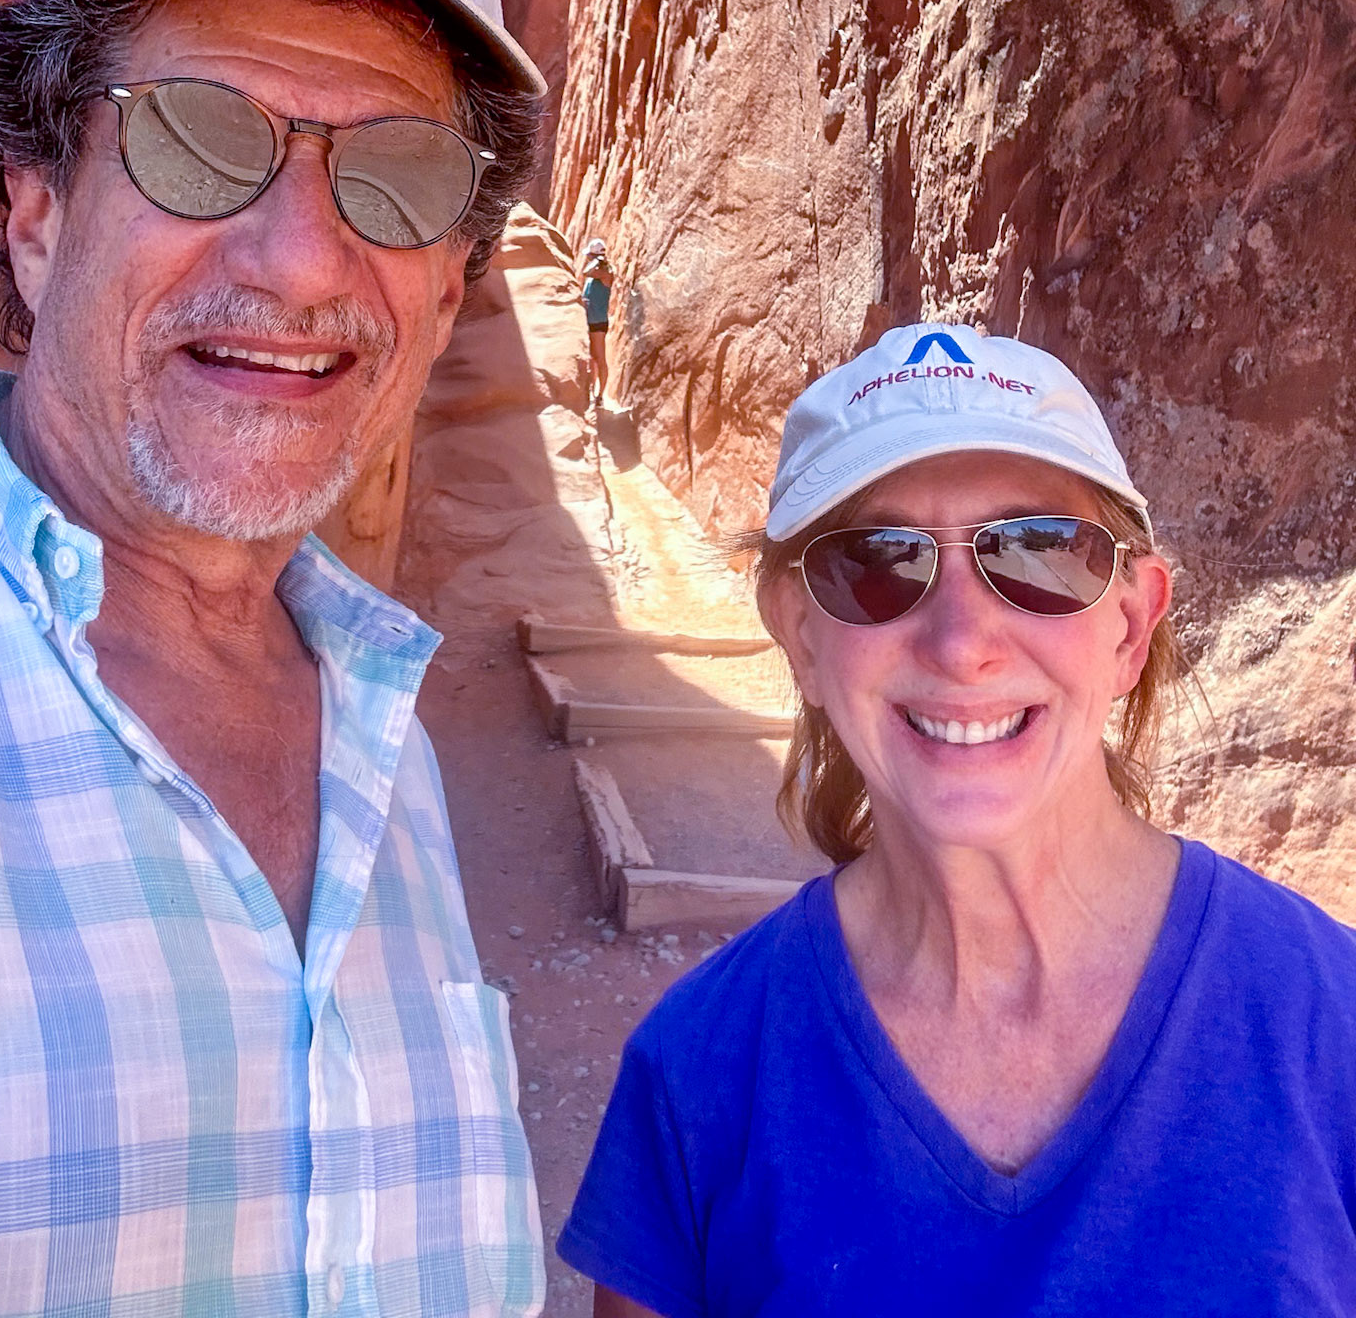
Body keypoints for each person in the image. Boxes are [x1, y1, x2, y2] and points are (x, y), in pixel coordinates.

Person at [0, 0, 549, 1316]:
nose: (298, 259)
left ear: (450, 284)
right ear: (35, 206)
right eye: (200, 137)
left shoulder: (384, 752)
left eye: (399, 176)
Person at [561, 323, 1356, 1315]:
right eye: (877, 561)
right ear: (799, 635)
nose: (962, 639)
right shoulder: (696, 1072)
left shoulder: (1332, 1027)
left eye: (1037, 550)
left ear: (1131, 623)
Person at [582, 237, 614, 405]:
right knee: (592, 358)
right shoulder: (594, 274)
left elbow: (587, 272)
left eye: (590, 256)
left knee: (599, 358)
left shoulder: (605, 272)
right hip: (589, 320)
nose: (587, 258)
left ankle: (600, 395)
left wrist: (599, 260)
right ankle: (591, 389)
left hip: (598, 322)